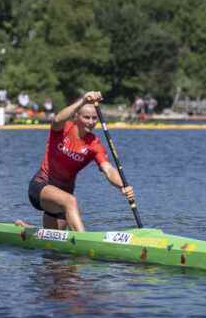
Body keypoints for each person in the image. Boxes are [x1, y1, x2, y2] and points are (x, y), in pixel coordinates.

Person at [26, 91, 135, 232]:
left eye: (94, 118)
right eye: (86, 117)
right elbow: (57, 119)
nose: (91, 122)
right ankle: (85, 242)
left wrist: (123, 185)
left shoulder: (94, 144)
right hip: (41, 186)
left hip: (62, 196)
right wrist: (83, 101)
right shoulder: (63, 129)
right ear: (77, 116)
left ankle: (26, 229)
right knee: (71, 201)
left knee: (54, 241)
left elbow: (108, 169)